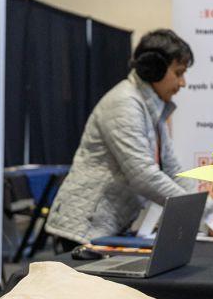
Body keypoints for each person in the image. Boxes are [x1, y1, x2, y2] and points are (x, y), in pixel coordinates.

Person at [45, 29, 195, 248]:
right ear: (153, 69)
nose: (183, 83)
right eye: (179, 73)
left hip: (109, 225)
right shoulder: (124, 103)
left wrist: (205, 210)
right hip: (84, 228)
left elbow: (172, 169)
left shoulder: (152, 107)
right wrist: (200, 213)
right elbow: (142, 174)